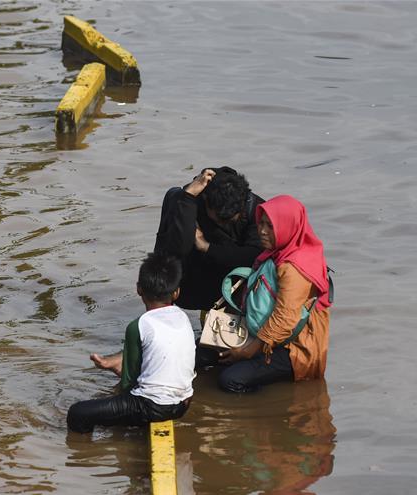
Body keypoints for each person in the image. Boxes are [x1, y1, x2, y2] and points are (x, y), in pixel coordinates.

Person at [67, 253, 196, 433]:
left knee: (78, 413)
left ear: (138, 289)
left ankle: (86, 454)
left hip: (154, 407)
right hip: (183, 404)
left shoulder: (139, 325)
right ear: (176, 292)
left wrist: (116, 397)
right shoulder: (183, 318)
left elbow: (129, 383)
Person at [217, 195, 332, 392]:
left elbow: (285, 318)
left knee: (230, 380)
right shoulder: (276, 254)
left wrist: (247, 352)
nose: (262, 231)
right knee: (207, 353)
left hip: (294, 348)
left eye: (270, 226)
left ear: (288, 226)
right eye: (261, 224)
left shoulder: (294, 267)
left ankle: (266, 414)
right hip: (267, 334)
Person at [154, 167, 265, 311]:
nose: (223, 223)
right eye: (219, 219)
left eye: (229, 220)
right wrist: (188, 197)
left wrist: (207, 247)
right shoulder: (186, 201)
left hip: (233, 288)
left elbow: (254, 256)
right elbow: (176, 250)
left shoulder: (256, 209)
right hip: (193, 284)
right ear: (206, 200)